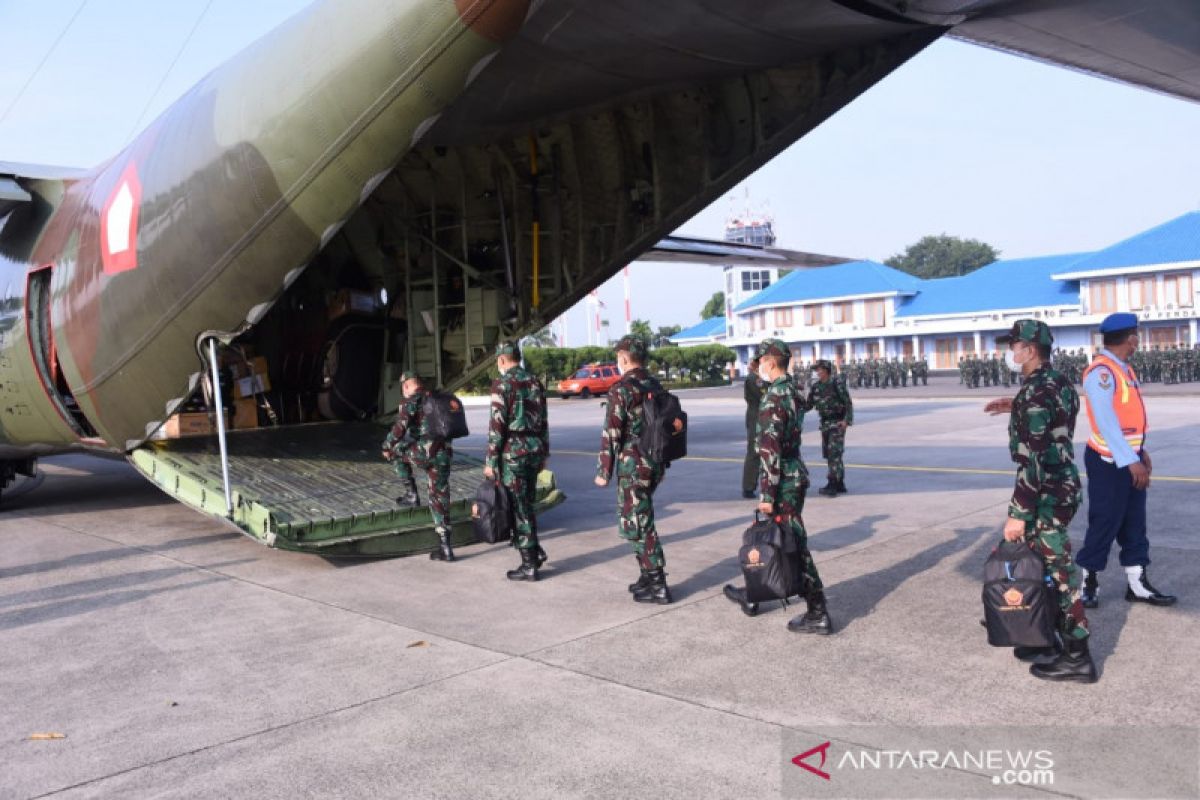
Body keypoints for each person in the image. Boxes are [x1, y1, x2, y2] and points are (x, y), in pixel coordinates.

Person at [984, 320, 1095, 683]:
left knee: (1059, 573)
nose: (1011, 352)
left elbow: (1033, 458)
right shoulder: (1056, 382)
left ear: (1029, 350)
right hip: (1059, 487)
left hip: (1044, 495)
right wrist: (1013, 404)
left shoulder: (1035, 394)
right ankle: (1042, 637)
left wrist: (1018, 514)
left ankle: (1078, 655)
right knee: (1041, 569)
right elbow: (1053, 421)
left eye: (1014, 345)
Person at [727, 339, 832, 634]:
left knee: (792, 545)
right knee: (782, 542)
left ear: (770, 362)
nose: (758, 365)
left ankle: (817, 610)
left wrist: (766, 495)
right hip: (792, 474)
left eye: (761, 360)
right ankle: (754, 593)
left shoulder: (774, 398)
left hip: (782, 481)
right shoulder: (793, 393)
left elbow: (770, 450)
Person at [1075, 313, 1175, 608]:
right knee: (1105, 521)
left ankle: (1137, 583)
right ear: (1129, 338)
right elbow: (1106, 422)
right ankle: (1088, 583)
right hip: (1108, 462)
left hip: (1129, 456)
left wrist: (1139, 451)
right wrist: (1130, 461)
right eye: (1136, 336)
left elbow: (1128, 420)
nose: (1137, 341)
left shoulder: (1123, 369)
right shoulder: (1102, 373)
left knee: (1134, 522)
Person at [595, 335, 672, 604]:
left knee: (639, 522)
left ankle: (658, 582)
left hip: (634, 464)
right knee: (638, 516)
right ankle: (646, 574)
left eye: (619, 357)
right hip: (655, 462)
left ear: (624, 358)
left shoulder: (622, 389)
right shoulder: (654, 384)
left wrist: (604, 471)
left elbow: (612, 432)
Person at [485, 341, 550, 582]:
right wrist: (544, 453)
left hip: (513, 453)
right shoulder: (534, 381)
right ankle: (535, 551)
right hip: (534, 449)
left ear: (502, 360)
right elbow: (543, 420)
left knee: (517, 508)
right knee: (527, 504)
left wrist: (491, 461)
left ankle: (529, 563)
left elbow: (496, 426)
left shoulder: (501, 384)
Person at [382, 371, 455, 562]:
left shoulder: (411, 401)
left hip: (425, 453)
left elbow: (400, 428)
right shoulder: (438, 397)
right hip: (444, 454)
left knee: (396, 451)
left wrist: (386, 446)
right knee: (440, 496)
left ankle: (411, 494)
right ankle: (446, 547)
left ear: (406, 387)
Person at [809, 360, 853, 497]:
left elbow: (847, 402)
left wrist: (847, 420)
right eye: (816, 370)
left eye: (819, 369)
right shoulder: (816, 387)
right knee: (830, 455)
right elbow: (808, 404)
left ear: (826, 370)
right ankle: (840, 483)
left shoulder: (836, 383)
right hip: (825, 424)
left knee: (834, 454)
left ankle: (832, 484)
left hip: (837, 423)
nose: (817, 372)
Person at [742, 357, 765, 499]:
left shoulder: (761, 378)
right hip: (757, 418)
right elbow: (765, 395)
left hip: (761, 417)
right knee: (754, 453)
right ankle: (748, 487)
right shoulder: (754, 379)